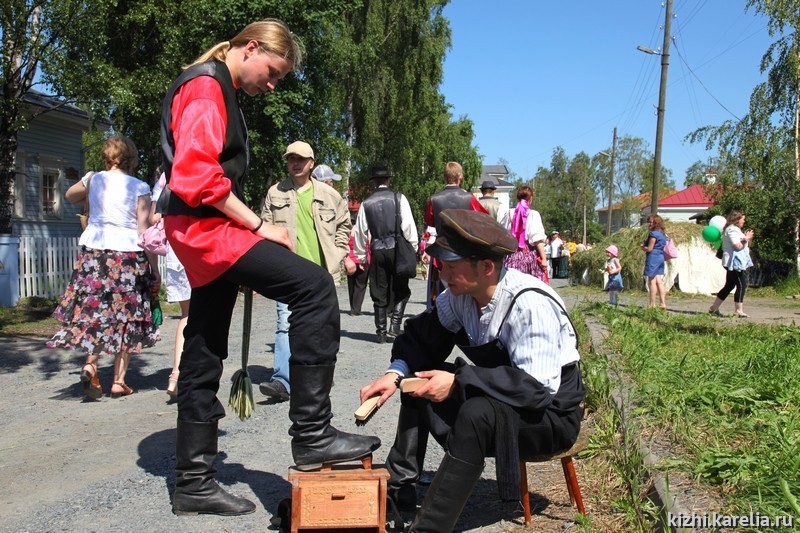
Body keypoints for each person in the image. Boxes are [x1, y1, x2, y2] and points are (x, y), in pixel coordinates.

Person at [158, 19, 379, 517]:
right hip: (205, 228)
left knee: (205, 344)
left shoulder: (217, 86)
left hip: (197, 228)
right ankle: (313, 434)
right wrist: (258, 225)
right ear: (251, 47)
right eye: (274, 72)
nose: (272, 84)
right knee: (315, 286)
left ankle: (193, 482)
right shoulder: (205, 85)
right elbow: (195, 175)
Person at [360, 208, 584, 532]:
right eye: (442, 264)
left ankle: (429, 527)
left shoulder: (528, 305)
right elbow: (423, 338)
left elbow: (536, 389)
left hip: (550, 415)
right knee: (419, 380)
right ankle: (399, 491)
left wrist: (457, 382)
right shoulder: (460, 296)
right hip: (507, 399)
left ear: (487, 267)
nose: (443, 273)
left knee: (476, 412)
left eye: (451, 266)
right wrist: (395, 375)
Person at [47, 135, 161, 400]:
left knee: (96, 313)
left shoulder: (94, 178)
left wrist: (91, 191)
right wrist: (154, 268)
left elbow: (70, 195)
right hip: (128, 255)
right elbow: (143, 230)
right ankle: (119, 381)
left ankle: (90, 364)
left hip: (95, 254)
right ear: (131, 158)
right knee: (127, 316)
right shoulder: (139, 186)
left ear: (107, 155)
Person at [258, 141, 355, 402]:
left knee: (320, 327)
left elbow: (345, 225)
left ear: (311, 163)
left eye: (301, 159)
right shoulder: (274, 193)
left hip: (321, 273)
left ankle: (318, 374)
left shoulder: (329, 195)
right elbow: (263, 229)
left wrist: (338, 253)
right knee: (284, 325)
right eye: (291, 159)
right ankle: (282, 381)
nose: (295, 163)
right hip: (286, 273)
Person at [352, 165, 418, 343]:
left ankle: (380, 333)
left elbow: (360, 232)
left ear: (374, 182)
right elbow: (409, 225)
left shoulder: (367, 203)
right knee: (402, 289)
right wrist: (413, 247)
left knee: (378, 291)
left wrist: (360, 256)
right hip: (397, 249)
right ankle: (395, 325)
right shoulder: (399, 198)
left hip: (377, 250)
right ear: (388, 180)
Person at [423, 162, 488, 307]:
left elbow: (429, 220)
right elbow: (484, 217)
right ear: (460, 176)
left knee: (441, 291)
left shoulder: (434, 199)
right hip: (463, 250)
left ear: (444, 177)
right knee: (464, 291)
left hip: (442, 250)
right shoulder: (469, 198)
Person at [150, 173, 191, 399]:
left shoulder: (168, 174)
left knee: (187, 315)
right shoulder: (202, 160)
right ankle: (194, 373)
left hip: (177, 248)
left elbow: (154, 218)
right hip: (202, 241)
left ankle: (176, 373)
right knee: (206, 313)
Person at [708, 210, 754, 318]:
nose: (744, 221)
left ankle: (713, 308)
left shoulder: (734, 229)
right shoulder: (732, 230)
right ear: (737, 220)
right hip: (733, 263)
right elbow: (736, 246)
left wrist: (746, 239)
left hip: (733, 262)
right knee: (742, 284)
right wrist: (747, 238)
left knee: (729, 286)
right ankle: (738, 310)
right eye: (743, 219)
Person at [504, 186, 548, 283]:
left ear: (517, 198)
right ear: (531, 198)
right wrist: (544, 258)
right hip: (528, 257)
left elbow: (502, 234)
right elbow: (537, 239)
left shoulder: (508, 213)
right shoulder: (533, 214)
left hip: (511, 255)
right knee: (532, 286)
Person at [641, 214, 667, 309]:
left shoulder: (653, 234)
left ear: (656, 223)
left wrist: (643, 247)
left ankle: (652, 304)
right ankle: (663, 303)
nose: (649, 224)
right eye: (649, 221)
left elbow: (650, 249)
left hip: (653, 258)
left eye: (652, 222)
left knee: (651, 282)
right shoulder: (663, 234)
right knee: (659, 281)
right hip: (660, 257)